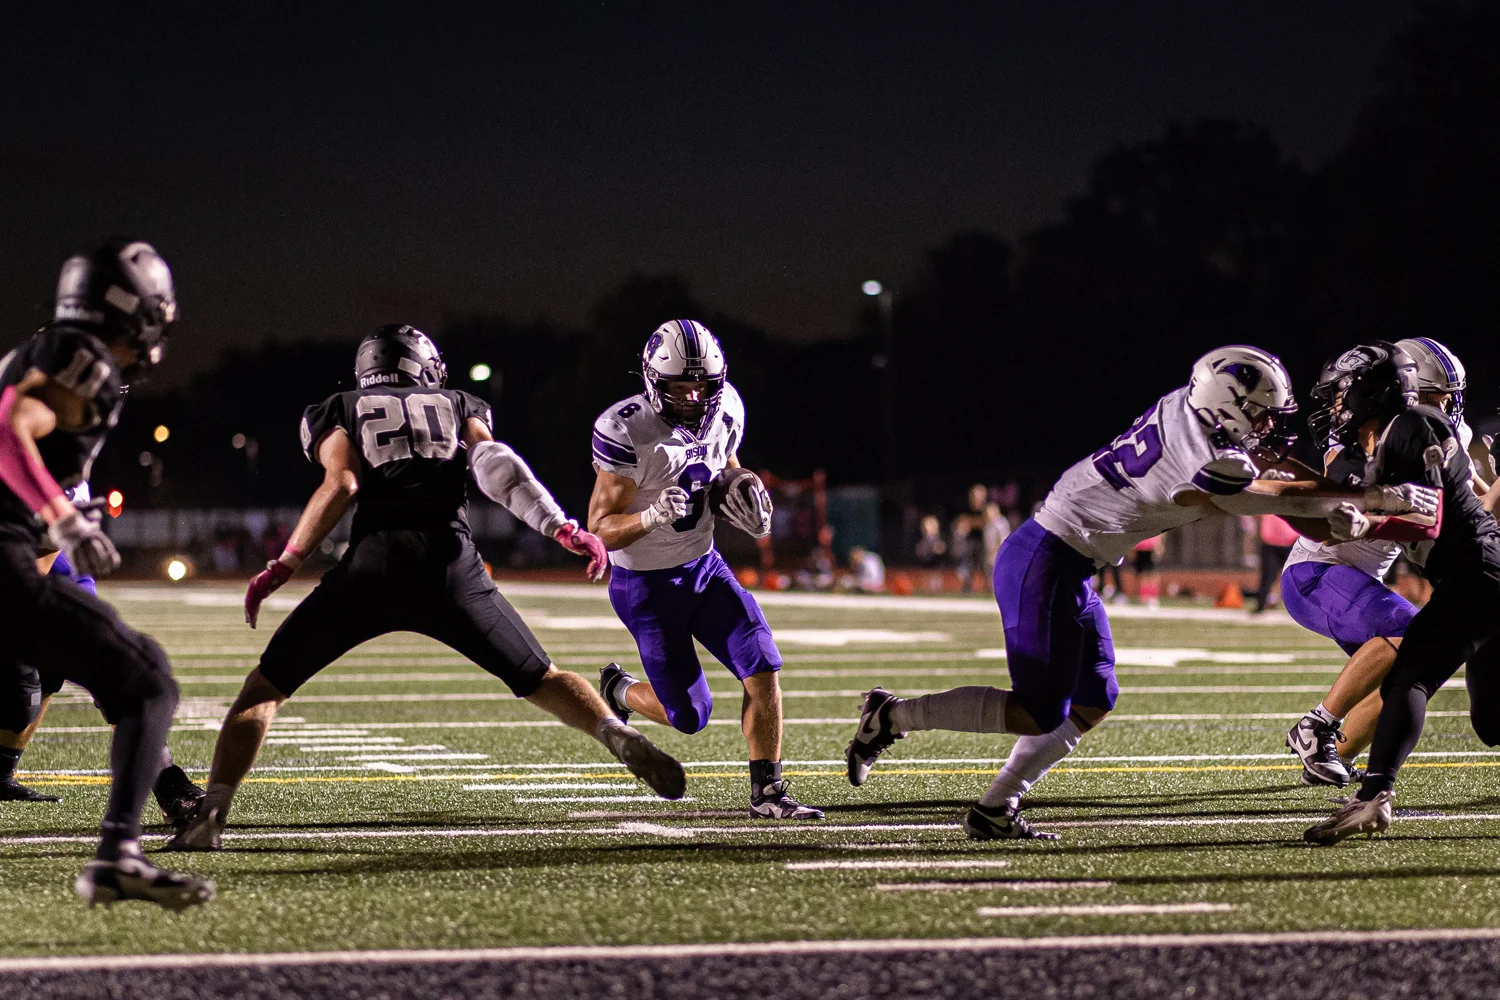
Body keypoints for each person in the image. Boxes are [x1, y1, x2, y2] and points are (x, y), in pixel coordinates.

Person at [844, 345, 1437, 840]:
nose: (1267, 429)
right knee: (1037, 707)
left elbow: (1274, 483)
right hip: (1046, 558)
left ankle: (995, 808)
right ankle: (893, 716)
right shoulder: (1204, 454)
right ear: (1228, 407)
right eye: (1258, 415)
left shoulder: (1189, 411)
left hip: (1071, 561)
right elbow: (1260, 496)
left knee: (1093, 698)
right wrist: (1370, 500)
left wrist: (1339, 499)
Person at [167, 325, 685, 851]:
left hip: (373, 567)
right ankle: (618, 734)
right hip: (451, 567)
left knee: (265, 689)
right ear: (425, 366)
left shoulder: (340, 406)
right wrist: (559, 526)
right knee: (541, 678)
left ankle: (211, 815)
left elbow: (342, 484)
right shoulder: (459, 402)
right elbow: (495, 465)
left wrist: (284, 564)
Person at [0, 238, 212, 908]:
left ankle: (128, 843)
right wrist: (62, 518)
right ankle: (118, 855)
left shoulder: (45, 353)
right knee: (147, 682)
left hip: (18, 553)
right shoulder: (81, 355)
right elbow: (6, 430)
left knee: (124, 680)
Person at [590, 319, 822, 820]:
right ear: (654, 381)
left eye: (703, 385)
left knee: (762, 662)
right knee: (691, 715)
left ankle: (768, 792)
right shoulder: (629, 429)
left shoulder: (727, 409)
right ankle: (618, 689)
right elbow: (600, 528)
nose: (694, 397)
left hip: (705, 568)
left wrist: (743, 488)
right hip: (646, 585)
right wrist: (650, 516)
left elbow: (726, 462)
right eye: (680, 386)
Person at [1304, 344, 1500, 844]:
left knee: (1408, 678)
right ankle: (1373, 796)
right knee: (1492, 721)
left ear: (1373, 391)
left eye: (1346, 393)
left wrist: (1365, 522)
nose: (1339, 404)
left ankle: (1374, 797)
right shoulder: (1383, 440)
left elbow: (1429, 519)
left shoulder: (1416, 427)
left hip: (1478, 573)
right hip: (1474, 576)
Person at [1251, 515, 1299, 613]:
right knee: (1268, 576)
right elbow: (1255, 516)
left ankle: (1298, 609)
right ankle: (1261, 605)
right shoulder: (1268, 501)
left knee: (1295, 578)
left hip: (1291, 542)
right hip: (1270, 543)